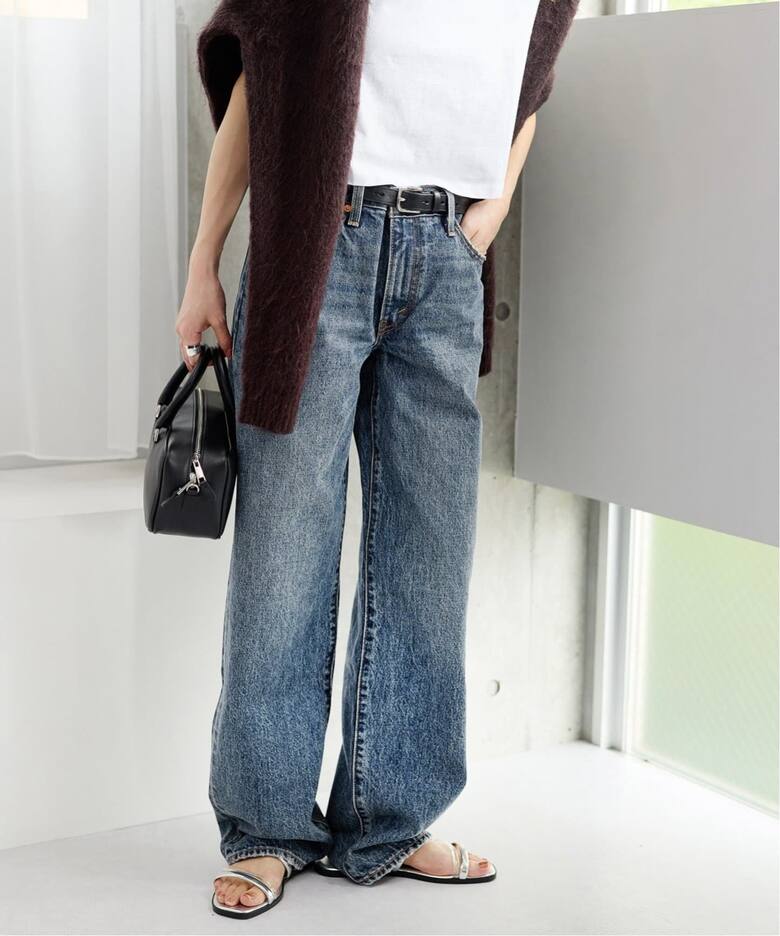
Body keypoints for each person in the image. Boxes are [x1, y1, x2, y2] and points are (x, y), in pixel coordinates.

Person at [176, 0, 578, 920]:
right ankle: (267, 827)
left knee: (429, 552)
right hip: (321, 249)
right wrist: (204, 262)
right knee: (285, 551)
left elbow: (530, 86)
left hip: (448, 257)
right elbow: (258, 77)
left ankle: (390, 821)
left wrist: (490, 212)